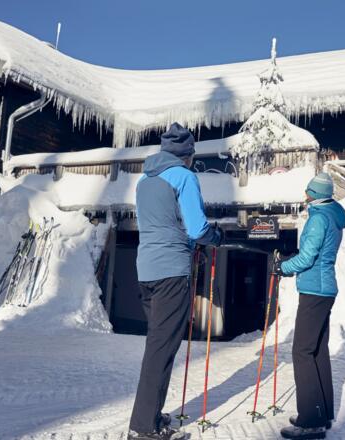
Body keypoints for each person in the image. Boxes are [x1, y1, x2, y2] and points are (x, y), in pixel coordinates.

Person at [128, 123, 222, 440]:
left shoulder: (144, 180)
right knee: (161, 348)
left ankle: (150, 415)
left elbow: (161, 224)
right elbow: (197, 228)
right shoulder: (184, 176)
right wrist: (215, 237)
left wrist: (188, 243)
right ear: (187, 154)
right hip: (171, 271)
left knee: (158, 344)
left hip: (146, 270)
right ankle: (143, 427)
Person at [275, 172, 345, 440]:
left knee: (302, 351)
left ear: (315, 194)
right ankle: (320, 413)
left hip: (314, 290)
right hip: (323, 288)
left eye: (308, 191)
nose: (305, 194)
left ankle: (310, 421)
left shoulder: (319, 218)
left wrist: (283, 267)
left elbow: (307, 258)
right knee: (316, 350)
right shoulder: (331, 215)